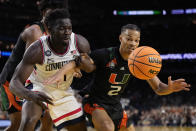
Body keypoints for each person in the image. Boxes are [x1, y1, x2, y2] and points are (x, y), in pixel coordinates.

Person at [43, 24, 191, 131]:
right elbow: (80, 62)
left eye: (136, 40)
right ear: (121, 38)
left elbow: (159, 88)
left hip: (115, 105)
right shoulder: (106, 54)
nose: (133, 43)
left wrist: (170, 88)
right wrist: (63, 72)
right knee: (108, 128)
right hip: (94, 102)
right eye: (129, 39)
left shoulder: (140, 61)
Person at [9, 8, 90, 131]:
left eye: (69, 28)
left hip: (63, 91)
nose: (67, 32)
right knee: (29, 120)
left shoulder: (80, 43)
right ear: (50, 30)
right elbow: (14, 83)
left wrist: (79, 65)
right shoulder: (37, 49)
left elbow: (91, 67)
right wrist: (30, 95)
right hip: (38, 87)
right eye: (62, 29)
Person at [0, 0, 66, 130]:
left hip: (32, 81)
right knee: (19, 123)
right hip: (12, 82)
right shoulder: (35, 32)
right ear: (43, 14)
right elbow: (31, 66)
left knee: (48, 121)